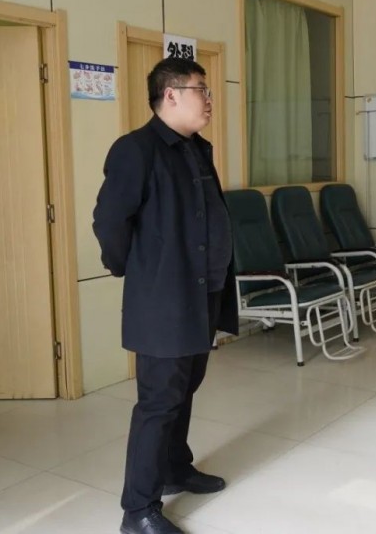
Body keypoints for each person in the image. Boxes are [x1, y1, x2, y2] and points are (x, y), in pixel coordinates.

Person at [93, 57, 239, 534]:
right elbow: (109, 222)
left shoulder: (196, 148)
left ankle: (175, 466)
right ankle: (138, 510)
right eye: (202, 90)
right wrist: (135, 269)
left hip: (202, 294)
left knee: (185, 389)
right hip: (165, 300)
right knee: (158, 403)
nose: (209, 100)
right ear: (171, 94)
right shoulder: (136, 150)